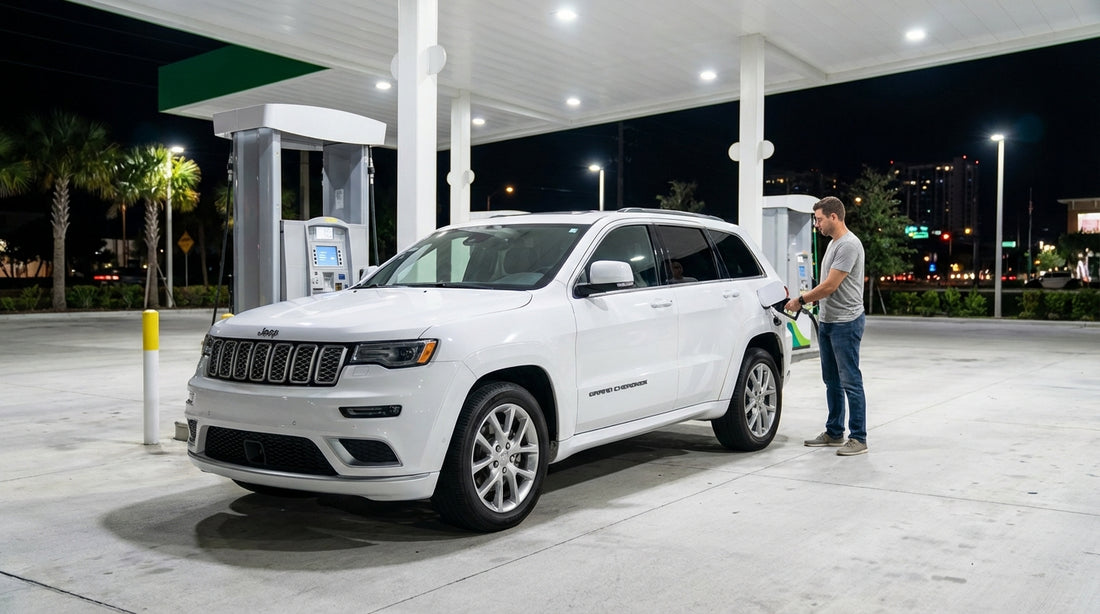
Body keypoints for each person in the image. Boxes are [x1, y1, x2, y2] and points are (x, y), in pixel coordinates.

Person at [784, 196, 868, 456]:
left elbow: (831, 285)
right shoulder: (832, 244)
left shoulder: (849, 245)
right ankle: (834, 432)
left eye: (819, 219)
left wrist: (801, 300)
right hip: (828, 321)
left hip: (846, 322)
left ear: (834, 216)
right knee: (831, 380)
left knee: (850, 381)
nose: (816, 224)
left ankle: (858, 438)